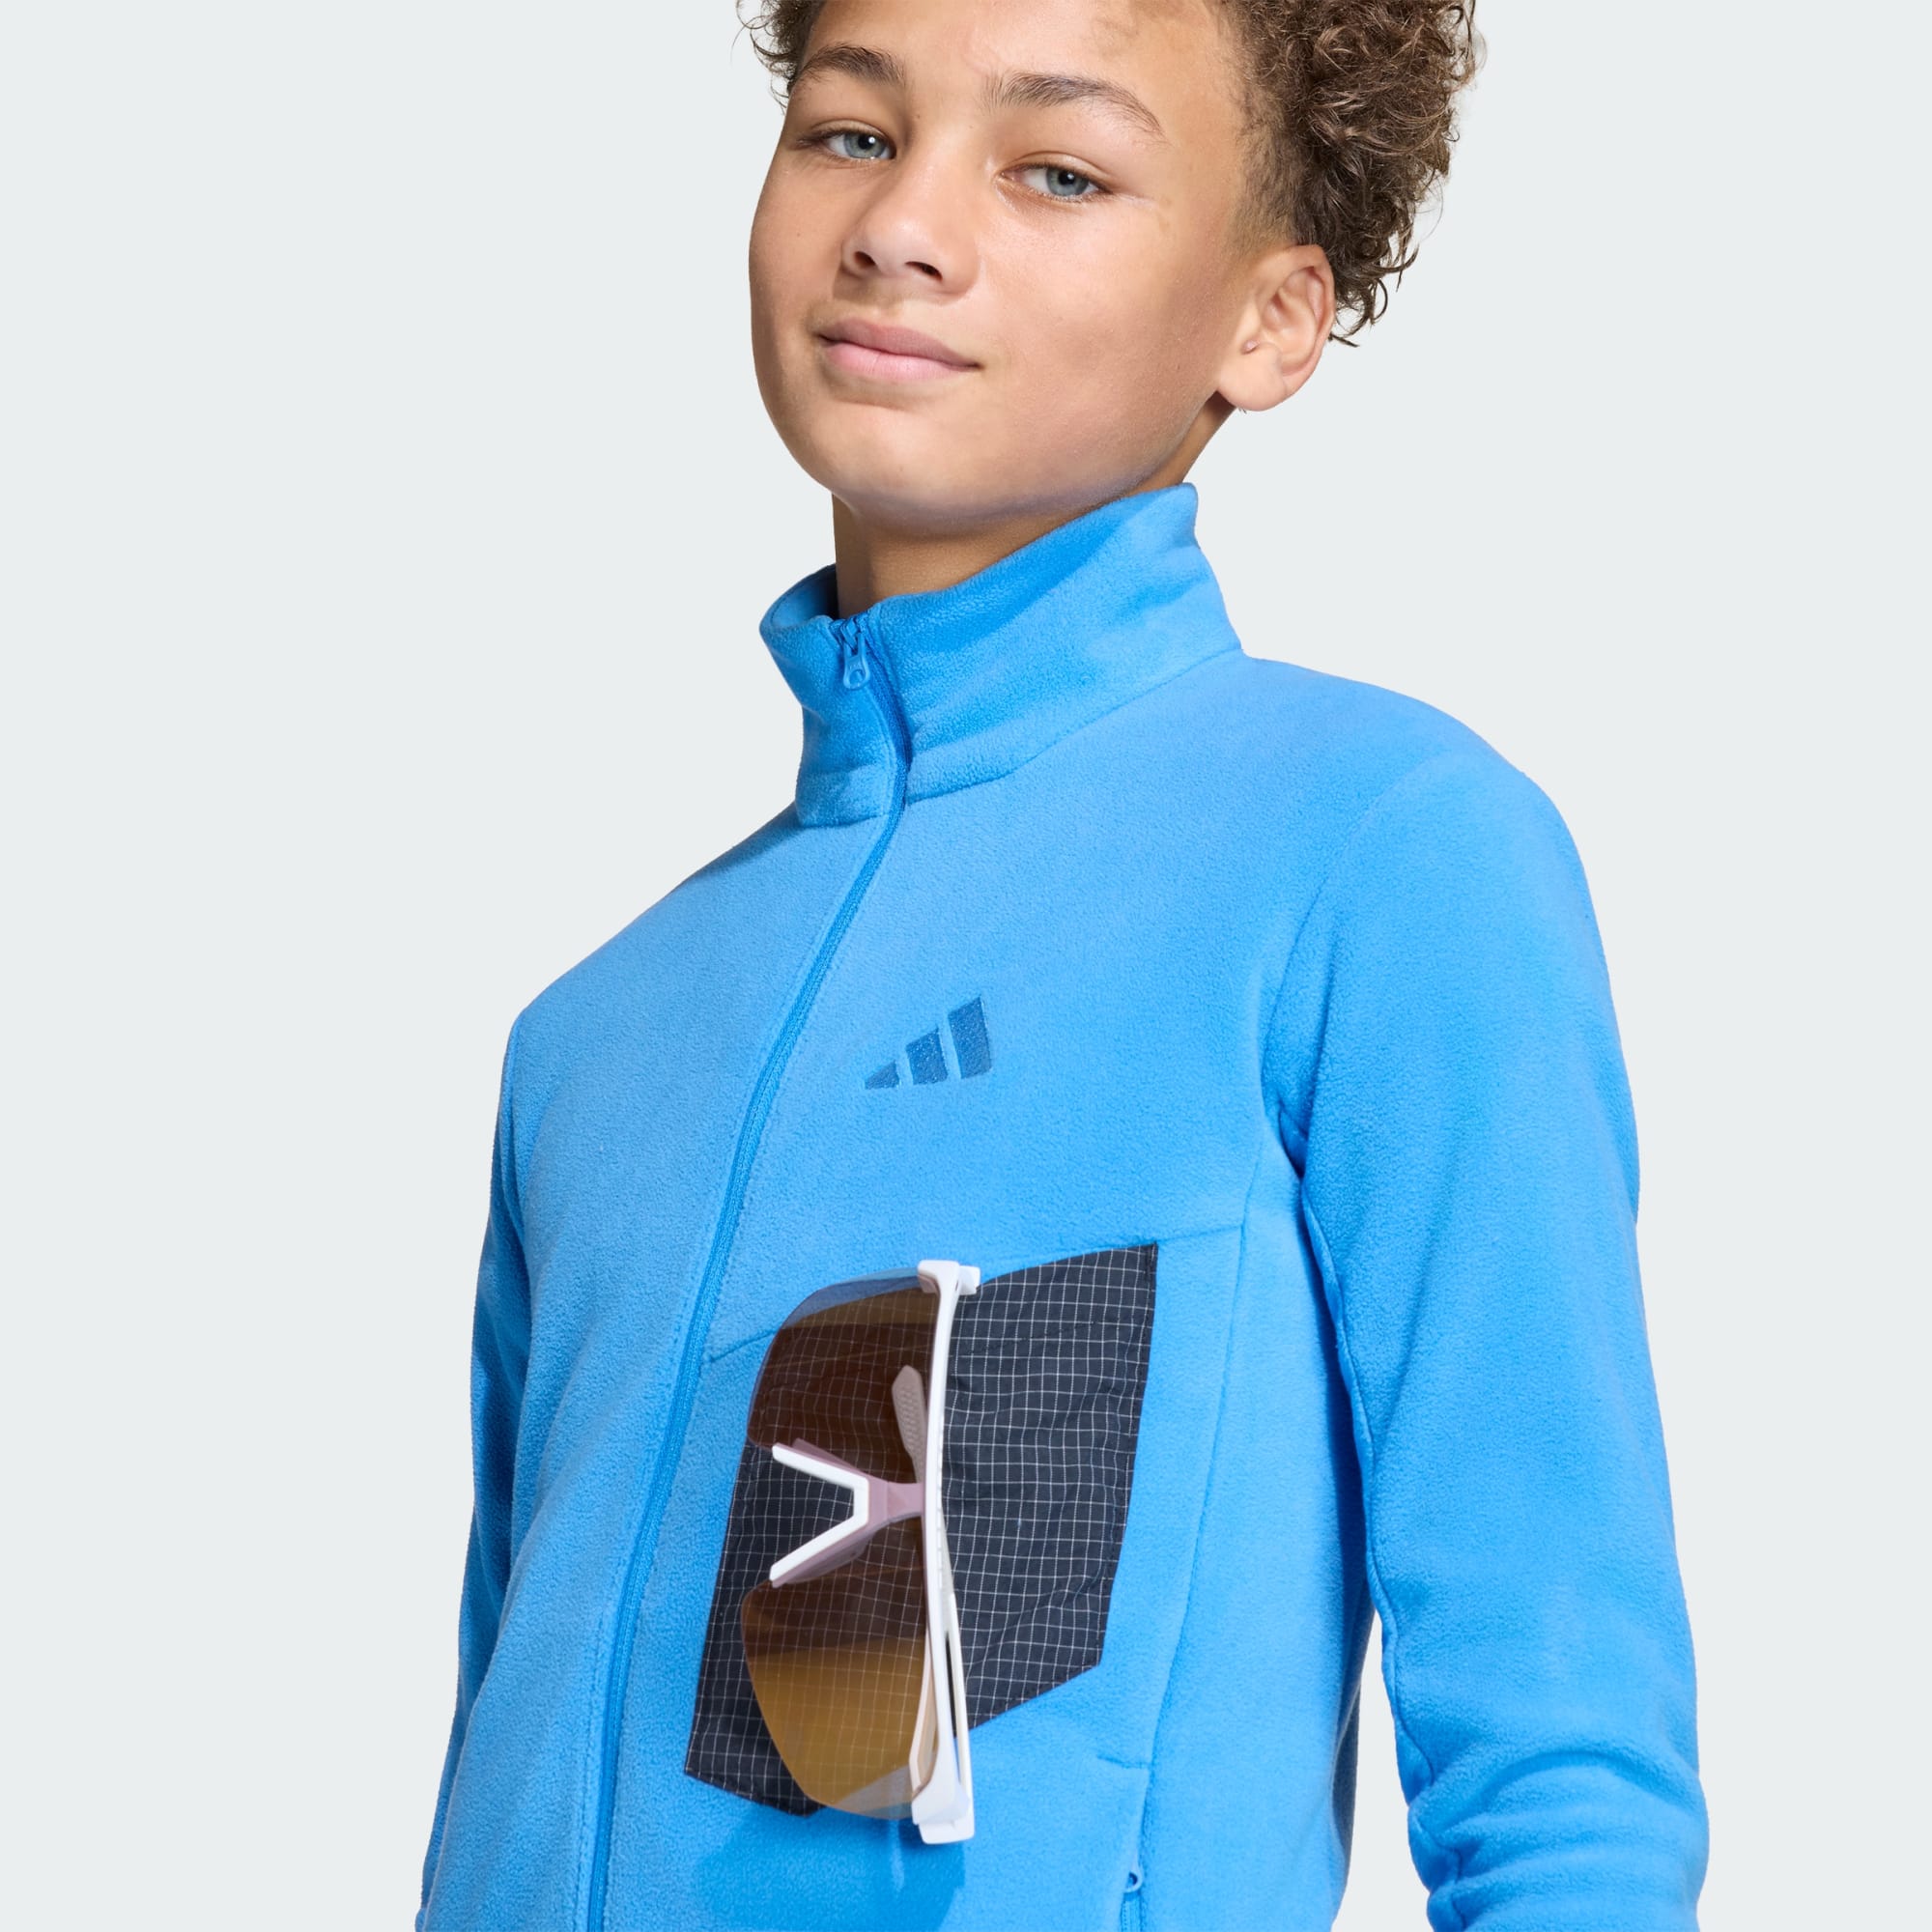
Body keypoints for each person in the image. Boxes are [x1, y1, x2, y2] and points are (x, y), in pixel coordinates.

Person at [413, 1, 1710, 1925]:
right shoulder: (594, 1036)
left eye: (1056, 171)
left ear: (1271, 318)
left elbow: (1561, 1779)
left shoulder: (1371, 856)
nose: (902, 227)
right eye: (852, 133)